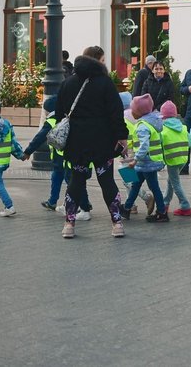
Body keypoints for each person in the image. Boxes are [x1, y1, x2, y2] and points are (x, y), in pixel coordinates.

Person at [55, 45, 130, 239]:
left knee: (76, 180)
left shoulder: (68, 83)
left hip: (77, 143)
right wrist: (122, 137)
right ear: (98, 62)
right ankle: (117, 223)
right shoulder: (105, 83)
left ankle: (69, 224)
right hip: (102, 142)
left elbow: (59, 115)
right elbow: (116, 114)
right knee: (107, 181)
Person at [121, 94, 168, 223]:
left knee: (154, 187)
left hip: (147, 162)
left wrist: (135, 159)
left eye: (133, 110)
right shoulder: (151, 122)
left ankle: (162, 212)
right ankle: (127, 207)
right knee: (136, 184)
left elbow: (144, 145)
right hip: (147, 161)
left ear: (139, 111)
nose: (132, 113)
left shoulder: (142, 126)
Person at [24, 96, 65, 210]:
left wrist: (28, 151)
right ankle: (53, 201)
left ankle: (82, 204)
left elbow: (39, 137)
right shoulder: (66, 117)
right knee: (63, 178)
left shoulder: (51, 121)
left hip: (60, 156)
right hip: (65, 156)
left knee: (67, 180)